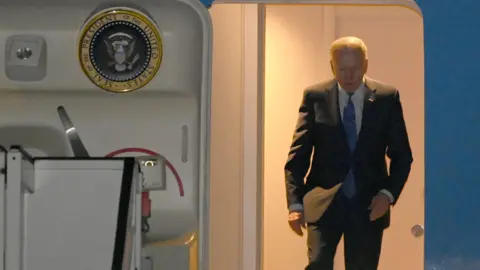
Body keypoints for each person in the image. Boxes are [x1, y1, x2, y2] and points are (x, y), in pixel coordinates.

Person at [284, 36, 413, 270]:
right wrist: (295, 205)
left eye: (355, 68)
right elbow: (298, 157)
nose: (349, 75)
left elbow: (402, 155)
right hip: (322, 203)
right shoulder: (316, 96)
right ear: (332, 66)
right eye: (342, 69)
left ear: (365, 64)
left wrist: (387, 194)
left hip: (369, 205)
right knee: (318, 264)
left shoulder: (386, 97)